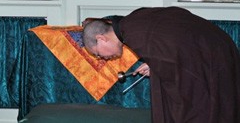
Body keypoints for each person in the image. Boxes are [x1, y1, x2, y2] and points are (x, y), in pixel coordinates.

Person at [82, 7, 240, 123]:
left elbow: (179, 69)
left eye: (97, 53)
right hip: (217, 46)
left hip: (210, 54)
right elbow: (173, 41)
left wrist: (158, 68)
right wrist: (154, 64)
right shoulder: (132, 21)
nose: (102, 58)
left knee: (197, 106)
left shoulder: (134, 34)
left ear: (101, 38)